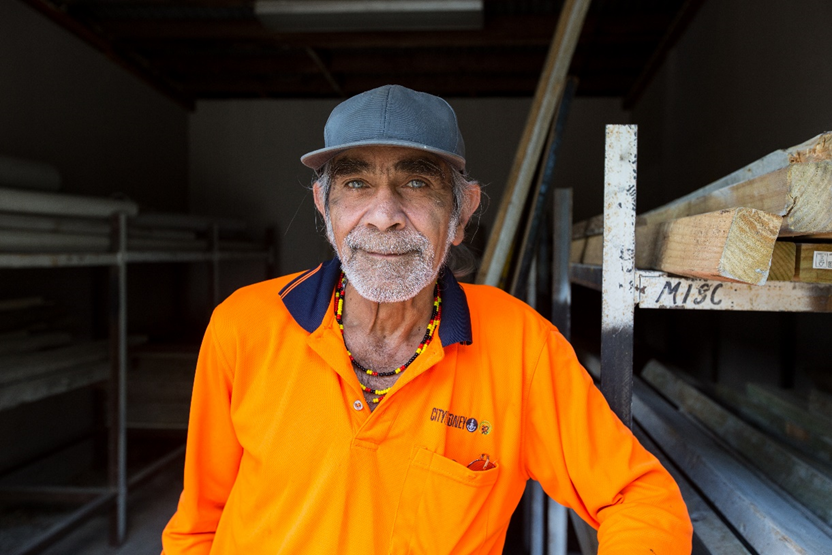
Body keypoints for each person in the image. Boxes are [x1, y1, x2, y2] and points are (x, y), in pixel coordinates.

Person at [161, 84, 692, 554]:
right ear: (325, 208)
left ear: (460, 214)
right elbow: (196, 529)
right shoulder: (244, 325)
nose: (385, 213)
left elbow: (640, 497)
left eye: (416, 183)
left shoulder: (520, 346)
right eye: (356, 184)